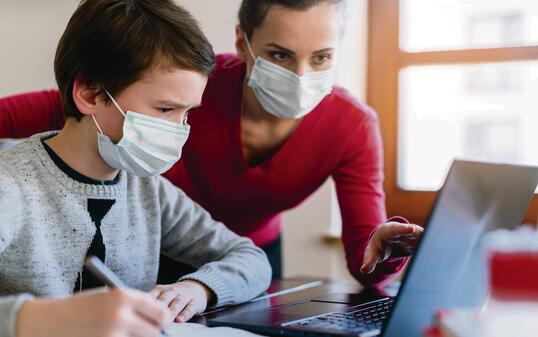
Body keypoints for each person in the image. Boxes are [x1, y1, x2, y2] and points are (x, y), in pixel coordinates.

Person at [0, 0, 423, 284]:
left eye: (322, 57)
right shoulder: (186, 79)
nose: (300, 76)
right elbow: (65, 106)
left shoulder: (352, 126)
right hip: (151, 239)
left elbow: (365, 261)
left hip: (241, 254)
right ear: (243, 43)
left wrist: (386, 249)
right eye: (279, 55)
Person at [0, 1, 271, 337]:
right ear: (90, 93)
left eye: (186, 114)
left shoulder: (148, 189)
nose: (178, 129)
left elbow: (251, 259)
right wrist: (37, 319)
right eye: (164, 109)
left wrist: (198, 289)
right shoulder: (10, 186)